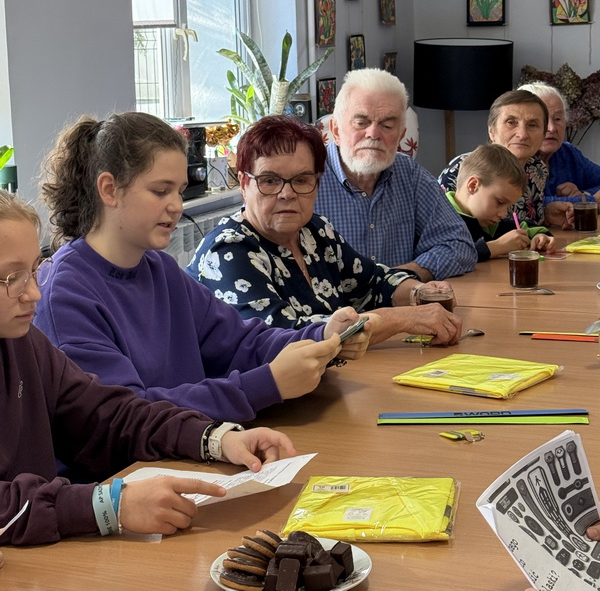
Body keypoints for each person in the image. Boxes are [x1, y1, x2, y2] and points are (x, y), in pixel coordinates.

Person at [0, 190, 295, 546]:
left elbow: (108, 415)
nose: (33, 293)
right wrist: (108, 506)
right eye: (12, 278)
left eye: (35, 270)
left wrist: (214, 438)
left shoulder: (23, 342)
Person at [34, 113, 369, 426]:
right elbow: (124, 417)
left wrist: (321, 336)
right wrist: (263, 385)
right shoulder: (66, 294)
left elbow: (240, 342)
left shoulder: (160, 269)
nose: (176, 206)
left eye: (179, 192)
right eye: (161, 191)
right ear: (109, 189)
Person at [187, 115, 462, 346]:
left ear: (317, 183)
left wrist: (419, 293)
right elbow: (286, 338)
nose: (287, 193)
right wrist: (403, 319)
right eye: (270, 181)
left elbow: (373, 282)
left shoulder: (315, 232)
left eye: (301, 180)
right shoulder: (228, 251)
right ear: (244, 184)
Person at [315, 68, 478, 281]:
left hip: (401, 298)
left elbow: (460, 245)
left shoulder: (409, 175)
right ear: (336, 131)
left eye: (387, 125)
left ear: (401, 136)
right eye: (361, 123)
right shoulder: (306, 179)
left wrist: (395, 279)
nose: (373, 134)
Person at [439, 89, 573, 229]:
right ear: (492, 131)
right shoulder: (460, 168)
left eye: (532, 125)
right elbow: (440, 230)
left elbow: (519, 224)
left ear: (543, 134)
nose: (522, 134)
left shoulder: (537, 169)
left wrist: (546, 215)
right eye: (511, 122)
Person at [446, 144, 555, 262]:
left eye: (508, 207)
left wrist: (540, 238)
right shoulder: (440, 219)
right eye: (500, 202)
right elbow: (445, 258)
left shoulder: (489, 222)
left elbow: (527, 227)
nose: (503, 214)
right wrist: (497, 246)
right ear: (473, 186)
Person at [519, 81, 600, 204]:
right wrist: (590, 200)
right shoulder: (513, 161)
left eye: (557, 119)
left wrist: (584, 193)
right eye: (542, 120)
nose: (551, 128)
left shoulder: (567, 153)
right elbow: (528, 205)